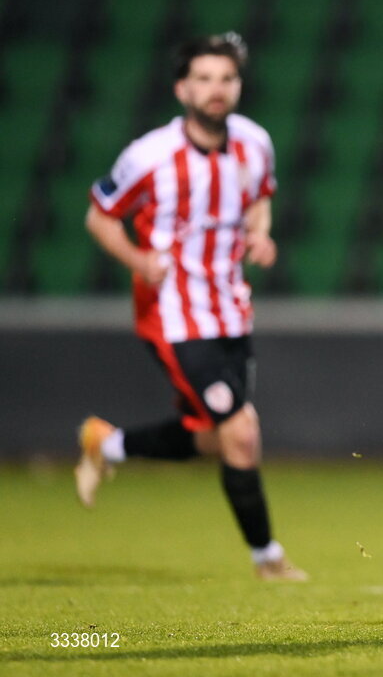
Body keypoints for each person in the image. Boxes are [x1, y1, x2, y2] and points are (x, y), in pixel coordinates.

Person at [75, 32, 307, 581]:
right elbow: (99, 216)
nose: (215, 89)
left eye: (225, 78)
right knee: (241, 431)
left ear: (238, 86)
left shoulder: (254, 143)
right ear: (182, 88)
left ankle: (105, 446)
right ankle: (267, 558)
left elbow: (260, 202)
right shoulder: (150, 156)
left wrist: (262, 236)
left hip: (231, 308)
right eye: (203, 79)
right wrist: (137, 259)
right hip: (173, 311)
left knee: (215, 436)